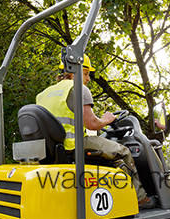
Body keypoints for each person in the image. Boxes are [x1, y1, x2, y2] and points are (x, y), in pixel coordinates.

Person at [35, 54, 157, 210]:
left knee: (113, 159)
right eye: (86, 73)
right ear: (74, 71)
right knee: (123, 152)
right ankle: (141, 199)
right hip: (73, 144)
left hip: (52, 149)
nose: (88, 79)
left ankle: (119, 198)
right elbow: (92, 124)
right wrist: (106, 119)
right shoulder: (79, 88)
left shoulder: (43, 94)